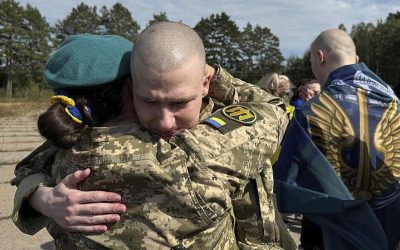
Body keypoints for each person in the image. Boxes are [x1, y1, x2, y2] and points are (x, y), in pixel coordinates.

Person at [12, 22, 294, 249]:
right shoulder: (197, 154)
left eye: (178, 102)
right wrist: (208, 74)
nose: (165, 121)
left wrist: (41, 198)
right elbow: (274, 108)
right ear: (130, 87)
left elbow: (28, 167)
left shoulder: (65, 150)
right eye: (148, 100)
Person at [294, 28, 400, 250]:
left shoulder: (310, 112)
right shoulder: (395, 103)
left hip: (330, 235)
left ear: (320, 57)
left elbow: (288, 182)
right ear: (356, 60)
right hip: (388, 230)